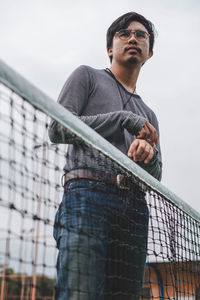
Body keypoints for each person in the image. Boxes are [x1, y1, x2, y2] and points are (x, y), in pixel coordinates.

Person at [49, 11, 162, 300]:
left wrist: (147, 156)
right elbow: (58, 128)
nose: (133, 38)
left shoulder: (149, 115)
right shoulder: (87, 75)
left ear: (150, 52)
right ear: (110, 48)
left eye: (141, 35)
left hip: (134, 210)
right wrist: (122, 118)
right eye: (124, 34)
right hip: (87, 195)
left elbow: (156, 176)